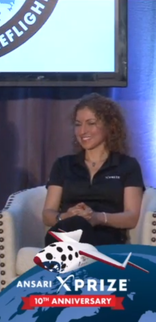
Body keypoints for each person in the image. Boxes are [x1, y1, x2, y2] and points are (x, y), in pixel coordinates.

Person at [42, 93, 144, 246]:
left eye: (91, 123)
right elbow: (48, 213)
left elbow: (132, 216)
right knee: (75, 225)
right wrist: (66, 216)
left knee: (79, 229)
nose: (82, 131)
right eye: (78, 124)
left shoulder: (127, 165)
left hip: (105, 235)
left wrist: (97, 217)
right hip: (67, 230)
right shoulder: (63, 164)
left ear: (110, 126)